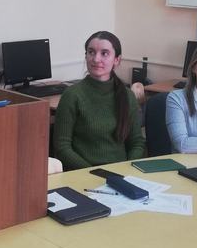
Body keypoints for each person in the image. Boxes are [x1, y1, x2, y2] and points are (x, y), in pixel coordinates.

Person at [53, 31, 145, 170]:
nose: (96, 59)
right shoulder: (72, 95)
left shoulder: (127, 96)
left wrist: (128, 169)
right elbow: (62, 147)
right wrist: (94, 173)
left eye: (104, 53)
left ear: (117, 60)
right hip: (83, 173)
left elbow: (137, 143)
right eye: (91, 52)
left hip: (120, 173)